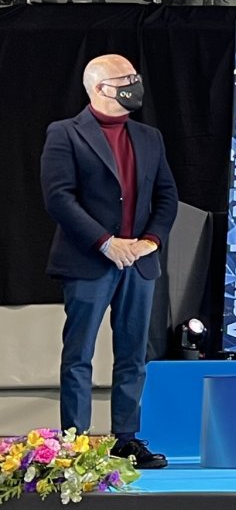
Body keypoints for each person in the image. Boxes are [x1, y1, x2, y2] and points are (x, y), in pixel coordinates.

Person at [40, 54, 179, 468]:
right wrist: (105, 242)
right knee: (79, 355)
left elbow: (167, 196)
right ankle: (74, 444)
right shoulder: (65, 133)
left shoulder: (149, 136)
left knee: (133, 355)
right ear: (100, 88)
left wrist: (150, 241)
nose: (135, 83)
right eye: (126, 79)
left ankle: (126, 439)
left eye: (135, 75)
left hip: (139, 263)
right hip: (88, 261)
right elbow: (59, 198)